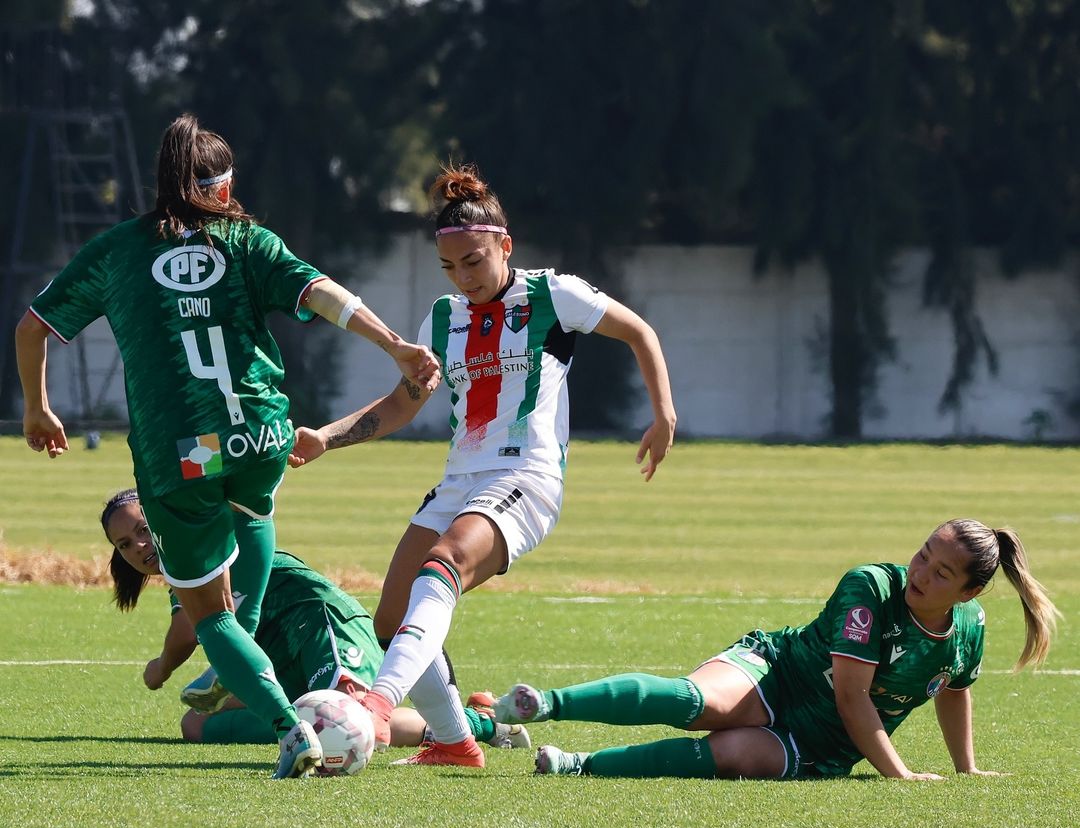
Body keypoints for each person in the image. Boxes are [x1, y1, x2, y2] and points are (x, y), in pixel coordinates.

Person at [14, 114, 440, 778]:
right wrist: (394, 345)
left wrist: (38, 409)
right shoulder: (248, 241)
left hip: (184, 453)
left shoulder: (118, 251)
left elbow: (33, 327)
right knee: (255, 519)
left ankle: (286, 725)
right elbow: (325, 294)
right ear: (222, 185)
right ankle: (234, 661)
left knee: (209, 613)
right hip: (260, 436)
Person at [289, 162, 677, 767]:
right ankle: (453, 741)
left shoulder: (554, 294)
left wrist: (663, 411)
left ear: (504, 245)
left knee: (442, 564)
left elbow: (640, 333)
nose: (463, 277)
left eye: (473, 261)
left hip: (526, 478)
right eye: (450, 267)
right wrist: (327, 437)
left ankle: (377, 705)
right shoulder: (443, 320)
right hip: (459, 481)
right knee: (390, 619)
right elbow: (401, 404)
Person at [490, 519, 1061, 780]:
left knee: (731, 758)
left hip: (823, 745)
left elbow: (953, 691)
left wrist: (967, 769)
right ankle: (544, 704)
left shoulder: (970, 625)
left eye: (942, 574)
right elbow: (852, 694)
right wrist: (900, 774)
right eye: (922, 556)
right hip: (779, 673)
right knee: (699, 704)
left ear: (970, 592)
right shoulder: (872, 587)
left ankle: (577, 765)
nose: (921, 574)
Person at [101, 488, 529, 751]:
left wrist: (158, 671)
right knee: (195, 726)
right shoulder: (178, 568)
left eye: (142, 529)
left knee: (354, 719)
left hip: (319, 623)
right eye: (124, 544)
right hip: (283, 660)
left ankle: (478, 722)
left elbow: (186, 632)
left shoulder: (190, 544)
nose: (139, 545)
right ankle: (303, 725)